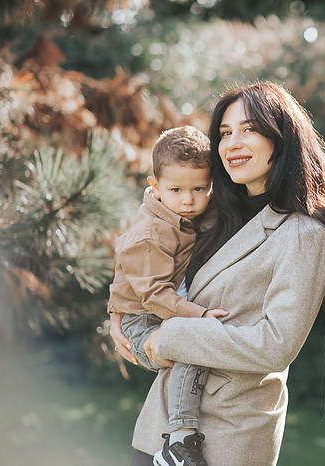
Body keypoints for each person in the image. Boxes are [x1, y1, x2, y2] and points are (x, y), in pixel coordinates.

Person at [110, 81, 325, 466]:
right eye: (225, 133)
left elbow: (277, 344)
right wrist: (118, 314)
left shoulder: (304, 233)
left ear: (281, 139)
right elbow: (147, 259)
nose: (233, 143)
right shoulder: (209, 211)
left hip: (228, 434)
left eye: (249, 129)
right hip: (159, 425)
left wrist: (174, 336)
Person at [107, 125, 229, 466]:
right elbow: (154, 296)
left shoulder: (181, 212)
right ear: (155, 188)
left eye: (199, 189)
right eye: (176, 189)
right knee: (191, 348)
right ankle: (180, 441)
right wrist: (199, 315)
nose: (188, 200)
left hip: (157, 307)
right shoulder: (151, 232)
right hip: (142, 321)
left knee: (193, 346)